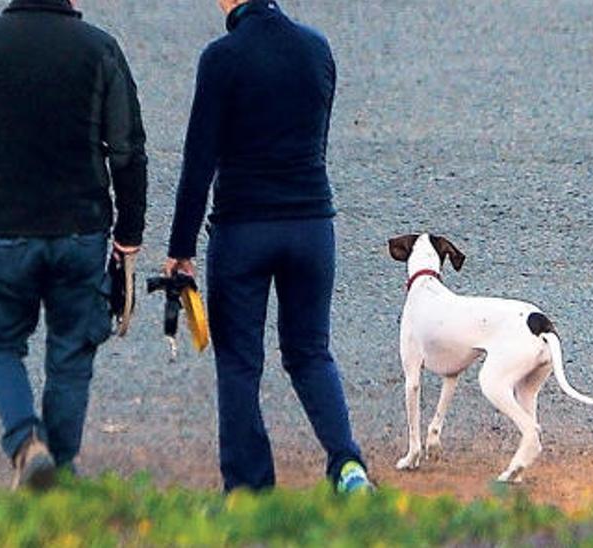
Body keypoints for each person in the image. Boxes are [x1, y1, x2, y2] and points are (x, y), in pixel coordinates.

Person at [0, 0, 148, 489]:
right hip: (82, 228)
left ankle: (27, 442)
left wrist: (2, 170)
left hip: (7, 226)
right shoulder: (100, 48)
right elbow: (128, 149)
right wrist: (129, 234)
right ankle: (62, 472)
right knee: (72, 349)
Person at [164, 0, 371, 493]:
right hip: (311, 224)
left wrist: (180, 248)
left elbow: (200, 160)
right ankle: (348, 466)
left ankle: (249, 490)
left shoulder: (222, 57)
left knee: (239, 362)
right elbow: (315, 140)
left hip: (244, 229)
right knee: (310, 352)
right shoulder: (316, 49)